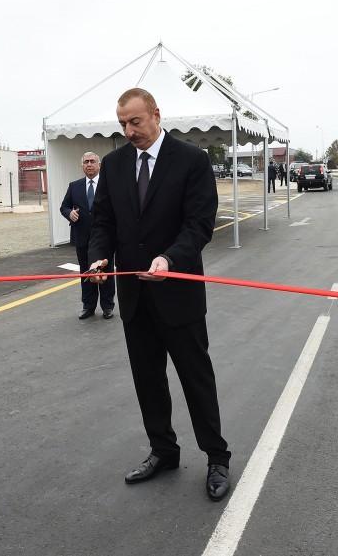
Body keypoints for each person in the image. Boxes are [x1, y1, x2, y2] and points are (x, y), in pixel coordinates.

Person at [88, 88, 232, 502]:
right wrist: (99, 259)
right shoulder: (114, 165)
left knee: (196, 379)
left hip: (179, 293)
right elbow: (104, 223)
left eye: (135, 122)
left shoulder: (191, 160)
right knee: (148, 380)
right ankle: (164, 450)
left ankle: (217, 456)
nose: (129, 131)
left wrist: (170, 259)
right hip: (135, 297)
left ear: (156, 113)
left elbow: (199, 224)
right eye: (122, 125)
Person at [59, 152, 115, 320]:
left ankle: (107, 306)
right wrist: (70, 214)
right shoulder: (74, 186)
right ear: (82, 165)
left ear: (99, 165)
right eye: (86, 162)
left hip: (104, 238)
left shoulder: (108, 185)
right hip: (82, 237)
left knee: (105, 271)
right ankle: (88, 306)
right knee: (86, 273)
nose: (89, 164)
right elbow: (64, 207)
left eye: (92, 161)